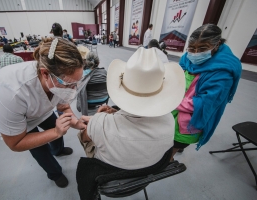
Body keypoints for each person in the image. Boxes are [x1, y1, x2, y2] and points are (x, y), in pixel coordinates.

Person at [0, 37, 87, 188]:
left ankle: (57, 150)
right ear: (45, 74)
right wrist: (55, 132)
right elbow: (16, 143)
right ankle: (55, 173)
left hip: (39, 108)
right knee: (39, 147)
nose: (73, 90)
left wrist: (79, 124)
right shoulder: (10, 92)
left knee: (57, 127)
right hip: (16, 115)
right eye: (68, 85)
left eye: (76, 84)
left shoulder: (57, 78)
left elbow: (64, 108)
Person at [78, 47, 185, 168]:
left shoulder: (100, 123)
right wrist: (115, 114)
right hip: (144, 174)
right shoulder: (170, 121)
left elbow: (84, 138)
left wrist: (97, 119)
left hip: (108, 172)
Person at [171, 24, 242, 160]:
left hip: (189, 119)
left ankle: (170, 157)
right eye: (192, 49)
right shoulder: (187, 58)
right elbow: (176, 75)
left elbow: (206, 103)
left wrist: (172, 101)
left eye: (202, 49)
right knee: (164, 140)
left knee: (173, 147)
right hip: (174, 109)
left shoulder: (223, 72)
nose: (196, 53)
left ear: (216, 45)